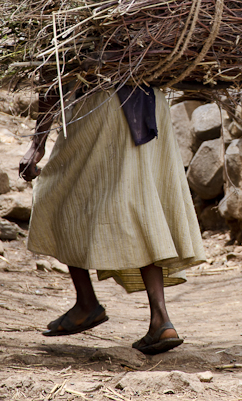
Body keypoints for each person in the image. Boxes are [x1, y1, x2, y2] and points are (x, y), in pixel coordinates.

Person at [19, 85, 205, 355]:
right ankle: (160, 320)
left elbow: (53, 75)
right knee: (144, 200)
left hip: (104, 104)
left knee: (58, 194)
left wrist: (37, 144)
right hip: (151, 104)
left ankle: (86, 303)